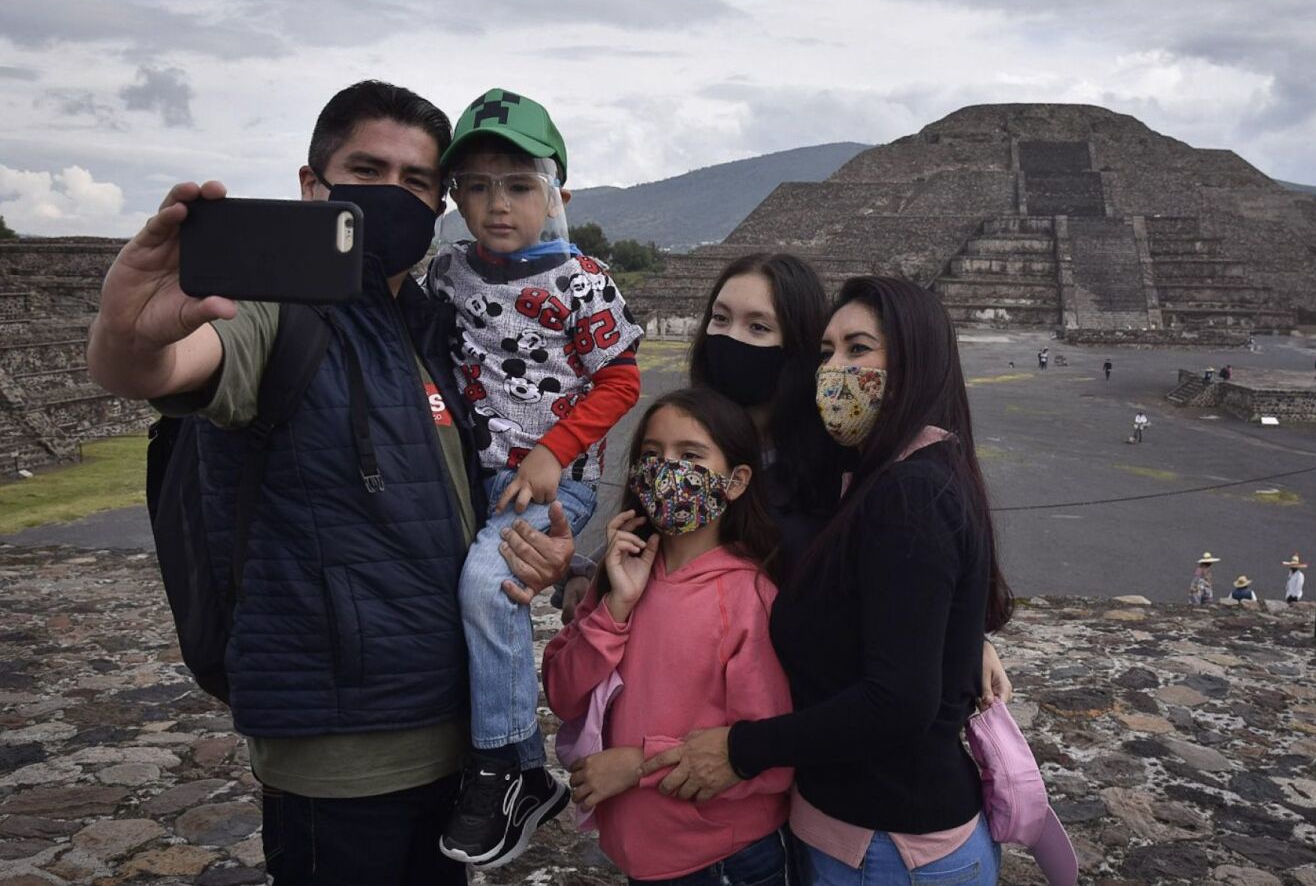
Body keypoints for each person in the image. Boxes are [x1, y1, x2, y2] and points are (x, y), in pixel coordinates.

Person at [85, 81, 575, 884]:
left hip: (452, 733)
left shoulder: (437, 323)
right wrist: (127, 335)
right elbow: (172, 364)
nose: (394, 194)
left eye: (417, 181)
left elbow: (459, 505)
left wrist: (541, 559)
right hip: (341, 749)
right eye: (367, 170)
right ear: (313, 186)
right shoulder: (275, 306)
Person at [640, 277, 1013, 886]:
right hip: (853, 835)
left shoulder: (910, 492)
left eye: (858, 349)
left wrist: (741, 750)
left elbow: (899, 701)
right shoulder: (873, 475)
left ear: (914, 362)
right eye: (825, 353)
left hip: (891, 845)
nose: (835, 370)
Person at [553, 254, 1016, 700]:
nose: (730, 338)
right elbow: (649, 534)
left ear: (796, 347)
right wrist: (583, 573)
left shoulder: (837, 459)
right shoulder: (679, 443)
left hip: (788, 716)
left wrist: (967, 636)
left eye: (758, 326)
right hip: (676, 696)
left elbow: (906, 569)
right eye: (719, 319)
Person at [424, 89, 644, 865]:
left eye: (518, 185)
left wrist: (554, 450)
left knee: (490, 587)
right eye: (477, 186)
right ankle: (499, 760)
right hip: (472, 474)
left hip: (555, 483)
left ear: (557, 195)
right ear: (455, 197)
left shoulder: (580, 280)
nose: (497, 205)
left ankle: (510, 764)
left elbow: (620, 381)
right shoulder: (447, 275)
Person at [543, 388, 795, 885]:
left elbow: (768, 757)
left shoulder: (750, 596)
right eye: (652, 456)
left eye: (691, 455)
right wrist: (615, 608)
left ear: (737, 480)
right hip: (642, 859)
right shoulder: (618, 577)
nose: (667, 470)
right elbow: (563, 693)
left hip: (724, 862)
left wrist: (638, 765)